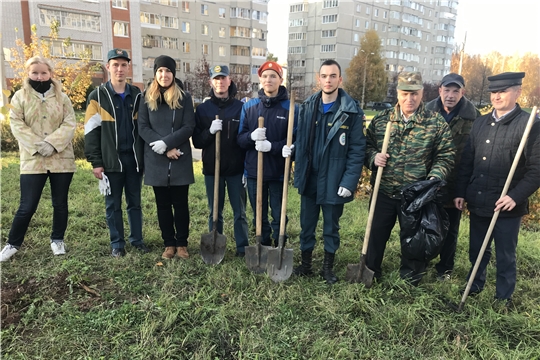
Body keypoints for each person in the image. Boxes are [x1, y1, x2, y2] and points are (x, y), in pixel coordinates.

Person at [454, 72, 540, 304]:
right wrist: (461, 191)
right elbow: (467, 162)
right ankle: (474, 285)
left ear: (518, 92)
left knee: (505, 255)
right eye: (494, 92)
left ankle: (503, 297)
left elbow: (536, 169)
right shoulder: (480, 123)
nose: (497, 96)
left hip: (507, 205)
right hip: (479, 199)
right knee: (477, 250)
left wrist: (515, 196)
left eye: (503, 91)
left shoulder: (530, 125)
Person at [364, 71, 455, 285]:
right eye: (405, 93)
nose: (409, 99)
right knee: (375, 235)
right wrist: (373, 157)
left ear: (422, 93)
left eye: (414, 94)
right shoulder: (381, 121)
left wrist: (435, 176)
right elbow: (366, 146)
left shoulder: (434, 123)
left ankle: (411, 277)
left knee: (415, 238)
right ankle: (370, 271)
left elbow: (446, 155)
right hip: (384, 190)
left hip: (416, 196)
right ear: (397, 93)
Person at [282, 60, 366, 284]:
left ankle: (327, 268)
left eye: (333, 76)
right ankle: (306, 263)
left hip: (334, 179)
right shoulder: (308, 106)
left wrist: (349, 182)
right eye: (324, 76)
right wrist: (293, 150)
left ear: (340, 79)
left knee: (331, 226)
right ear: (318, 79)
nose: (328, 80)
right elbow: (302, 140)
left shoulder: (351, 111)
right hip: (310, 176)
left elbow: (357, 150)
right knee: (306, 224)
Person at [0, 56, 76, 262]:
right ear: (28, 73)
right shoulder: (20, 97)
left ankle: (57, 239)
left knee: (60, 203)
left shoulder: (62, 97)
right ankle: (13, 243)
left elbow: (70, 122)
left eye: (43, 72)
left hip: (61, 160)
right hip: (33, 161)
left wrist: (51, 143)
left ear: (50, 74)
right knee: (27, 205)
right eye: (35, 72)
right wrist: (37, 145)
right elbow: (16, 123)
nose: (39, 76)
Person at [84, 48, 149, 258]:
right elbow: (91, 132)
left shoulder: (137, 95)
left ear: (128, 67)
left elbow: (144, 128)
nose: (119, 69)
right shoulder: (97, 96)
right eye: (115, 65)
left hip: (133, 160)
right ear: (108, 67)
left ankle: (137, 240)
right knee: (113, 204)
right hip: (111, 161)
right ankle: (117, 244)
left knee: (135, 203)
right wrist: (96, 162)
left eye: (123, 65)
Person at [138, 55, 195, 260]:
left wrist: (169, 143)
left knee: (181, 204)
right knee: (162, 205)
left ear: (173, 74)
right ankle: (168, 243)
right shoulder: (146, 97)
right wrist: (162, 147)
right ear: (155, 74)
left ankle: (182, 244)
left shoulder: (185, 98)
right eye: (160, 71)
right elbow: (142, 127)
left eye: (168, 71)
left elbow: (189, 126)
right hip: (156, 159)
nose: (164, 75)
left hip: (179, 158)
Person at [426, 73, 480, 280]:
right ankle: (420, 260)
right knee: (425, 224)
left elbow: (473, 157)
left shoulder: (473, 117)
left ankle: (445, 269)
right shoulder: (427, 111)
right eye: (446, 90)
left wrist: (463, 190)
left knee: (450, 229)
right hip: (428, 181)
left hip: (455, 183)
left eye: (455, 91)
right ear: (440, 90)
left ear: (462, 93)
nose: (450, 95)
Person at [237, 61, 297, 247]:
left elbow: (295, 142)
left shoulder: (291, 108)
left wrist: (273, 147)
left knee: (279, 213)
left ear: (280, 79)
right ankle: (263, 245)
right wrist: (251, 137)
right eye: (265, 76)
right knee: (259, 212)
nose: (268, 80)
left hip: (279, 172)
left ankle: (279, 246)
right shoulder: (249, 107)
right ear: (260, 79)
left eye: (273, 76)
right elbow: (240, 139)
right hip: (255, 172)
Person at [192, 65, 249, 257]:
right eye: (216, 79)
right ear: (211, 82)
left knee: (239, 212)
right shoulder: (202, 110)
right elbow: (197, 142)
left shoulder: (241, 108)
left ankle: (242, 248)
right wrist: (209, 132)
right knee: (214, 211)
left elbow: (244, 138)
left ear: (229, 80)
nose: (220, 82)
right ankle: (216, 245)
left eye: (223, 78)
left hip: (236, 170)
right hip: (211, 169)